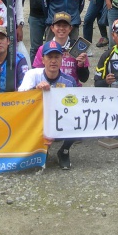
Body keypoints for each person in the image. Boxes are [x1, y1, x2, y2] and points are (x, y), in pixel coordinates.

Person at [18, 40, 78, 169]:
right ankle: (39, 150)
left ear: (62, 59)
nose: (53, 61)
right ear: (42, 59)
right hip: (37, 118)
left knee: (79, 119)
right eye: (49, 57)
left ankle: (64, 151)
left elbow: (74, 108)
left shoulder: (69, 81)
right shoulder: (32, 75)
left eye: (57, 57)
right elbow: (20, 100)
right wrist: (35, 90)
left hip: (59, 118)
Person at [32, 12, 89, 87]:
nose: (61, 28)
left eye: (65, 26)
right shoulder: (43, 49)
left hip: (72, 90)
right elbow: (35, 74)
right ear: (52, 28)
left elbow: (84, 79)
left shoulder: (77, 48)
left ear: (70, 28)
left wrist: (81, 65)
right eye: (58, 25)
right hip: (49, 89)